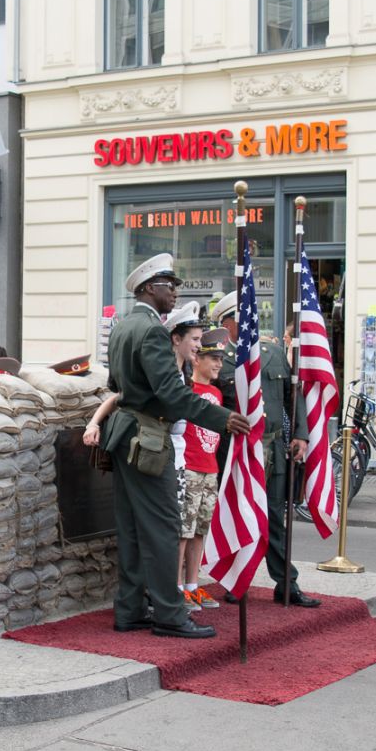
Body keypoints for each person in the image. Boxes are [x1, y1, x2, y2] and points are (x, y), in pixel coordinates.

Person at [102, 254, 248, 639]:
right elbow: (170, 392)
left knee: (132, 528)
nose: (176, 293)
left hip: (125, 433)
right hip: (147, 438)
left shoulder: (123, 326)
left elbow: (116, 384)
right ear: (151, 288)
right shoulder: (150, 330)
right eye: (170, 285)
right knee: (165, 527)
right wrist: (220, 417)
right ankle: (169, 614)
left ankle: (131, 609)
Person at [212, 290, 322, 606]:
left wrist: (300, 434)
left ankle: (286, 583)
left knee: (275, 517)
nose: (252, 323)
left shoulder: (272, 353)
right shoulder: (218, 358)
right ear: (228, 324)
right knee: (238, 514)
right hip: (236, 452)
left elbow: (293, 394)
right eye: (243, 318)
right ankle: (237, 581)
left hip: (273, 448)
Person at [180, 329, 226, 611]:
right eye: (213, 358)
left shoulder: (216, 392)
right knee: (183, 530)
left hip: (210, 468)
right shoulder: (187, 390)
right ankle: (176, 588)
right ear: (196, 359)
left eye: (221, 358)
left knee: (200, 530)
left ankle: (193, 585)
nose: (219, 364)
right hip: (190, 467)